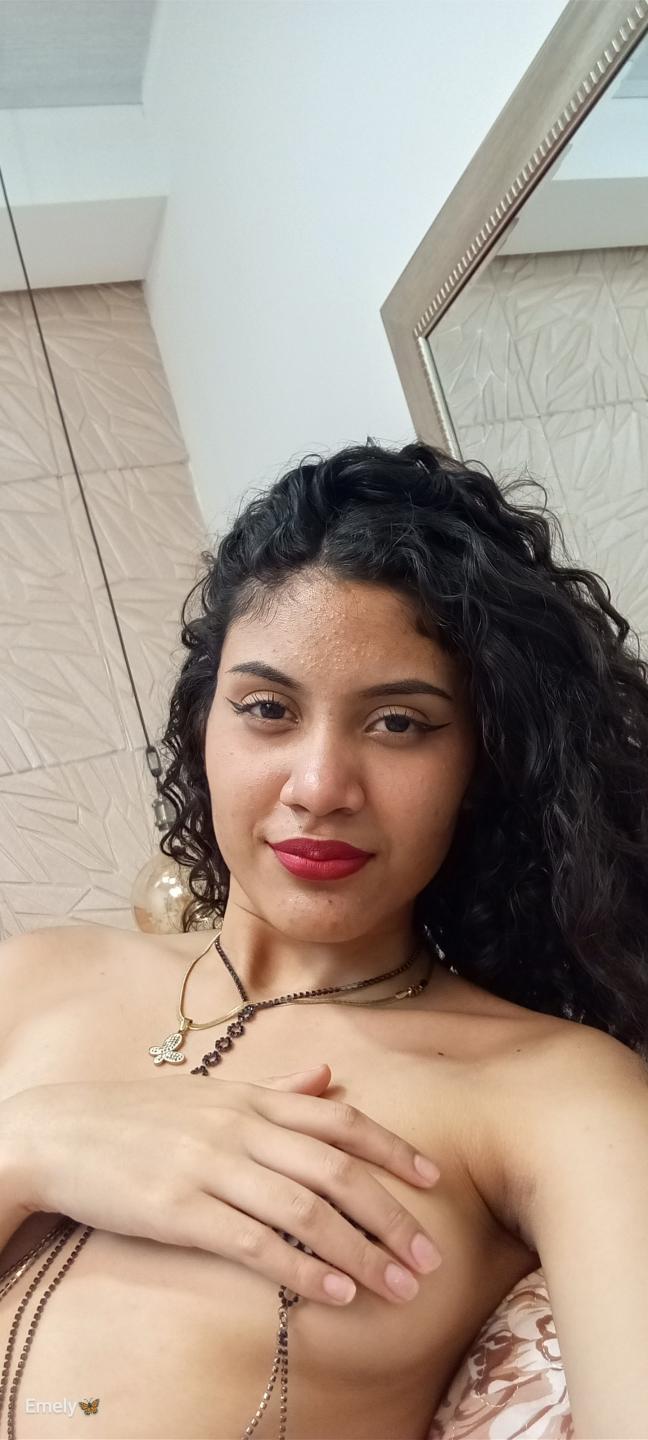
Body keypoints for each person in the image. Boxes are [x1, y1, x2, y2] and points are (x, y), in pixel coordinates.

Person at [0, 439, 647, 1440]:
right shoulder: (31, 979)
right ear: (203, 726)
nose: (319, 787)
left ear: (484, 763)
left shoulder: (554, 1094)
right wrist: (29, 1148)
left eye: (399, 724)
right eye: (267, 709)